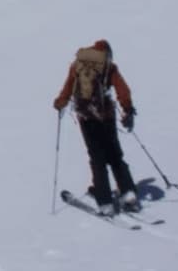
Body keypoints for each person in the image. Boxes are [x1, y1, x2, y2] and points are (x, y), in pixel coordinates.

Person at [54, 39, 139, 213]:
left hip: (86, 118)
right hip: (106, 116)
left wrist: (59, 103)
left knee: (97, 158)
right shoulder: (109, 66)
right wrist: (128, 109)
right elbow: (123, 90)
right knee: (115, 155)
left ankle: (105, 201)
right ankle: (128, 193)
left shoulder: (77, 65)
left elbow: (68, 88)